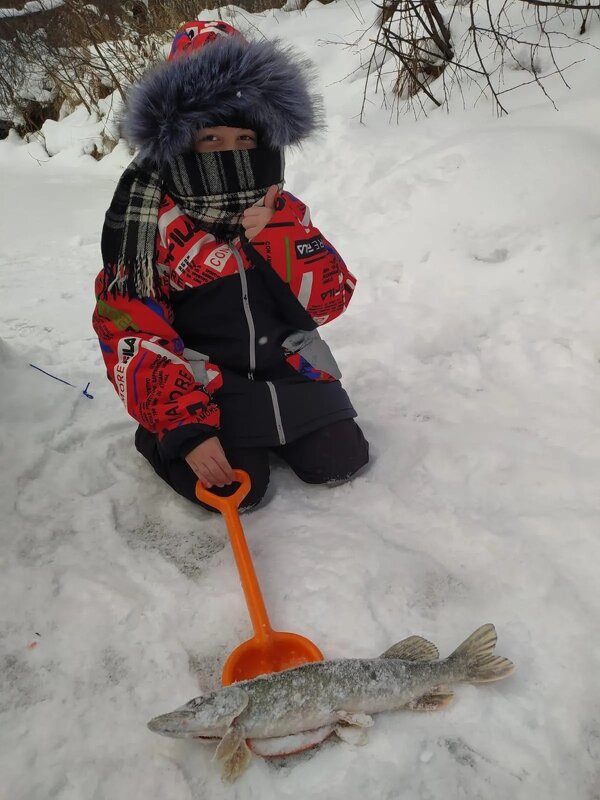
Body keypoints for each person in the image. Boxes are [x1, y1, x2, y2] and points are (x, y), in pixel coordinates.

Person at [93, 20, 369, 512]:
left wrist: (282, 233)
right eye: (211, 139)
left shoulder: (280, 208)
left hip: (285, 367)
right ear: (180, 141)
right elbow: (132, 334)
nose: (231, 152)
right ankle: (159, 434)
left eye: (245, 139)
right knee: (240, 488)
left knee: (341, 459)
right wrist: (186, 429)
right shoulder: (147, 224)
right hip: (206, 381)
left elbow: (330, 302)